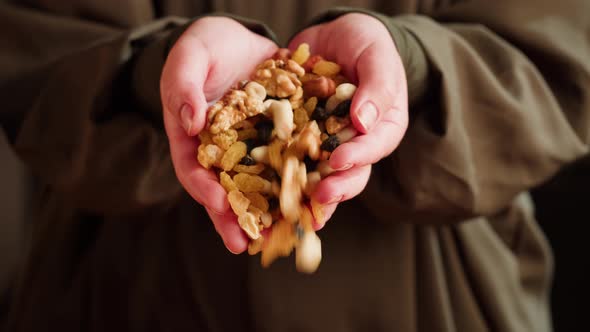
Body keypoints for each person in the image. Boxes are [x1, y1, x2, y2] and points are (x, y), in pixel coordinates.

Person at [1, 0, 588, 331]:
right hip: (126, 297)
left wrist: (411, 69)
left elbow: (561, 65)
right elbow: (27, 65)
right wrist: (155, 75)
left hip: (440, 302)